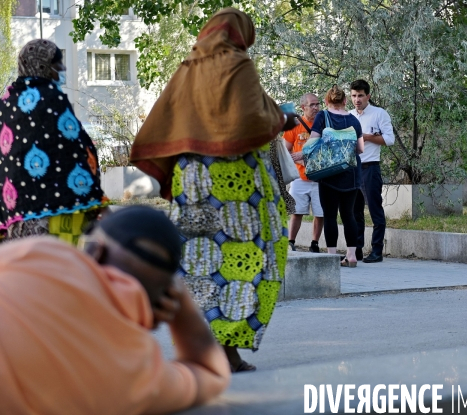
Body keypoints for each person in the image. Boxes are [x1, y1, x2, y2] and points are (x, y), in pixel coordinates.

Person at [130, 8, 297, 373]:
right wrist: (282, 118)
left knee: (196, 263)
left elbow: (164, 120)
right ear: (241, 33)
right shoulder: (238, 64)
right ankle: (228, 351)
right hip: (239, 186)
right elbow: (255, 118)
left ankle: (196, 345)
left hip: (193, 183)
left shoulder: (188, 68)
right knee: (251, 260)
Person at [0, 205, 231, 414]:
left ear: (95, 251)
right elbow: (211, 371)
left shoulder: (42, 253)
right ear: (160, 300)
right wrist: (181, 301)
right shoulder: (136, 376)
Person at [0, 39, 107, 252]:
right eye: (58, 64)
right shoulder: (51, 97)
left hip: (15, 220)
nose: (62, 69)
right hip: (60, 213)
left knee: (29, 279)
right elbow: (76, 148)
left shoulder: (6, 102)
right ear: (44, 66)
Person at [296, 85, 364, 266]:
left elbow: (312, 142)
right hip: (351, 174)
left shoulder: (322, 116)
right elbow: (360, 149)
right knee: (349, 215)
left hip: (330, 174)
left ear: (326, 101)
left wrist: (301, 154)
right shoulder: (354, 120)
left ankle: (332, 257)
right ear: (345, 101)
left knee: (330, 215)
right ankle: (351, 255)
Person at [349, 79, 395, 263]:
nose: (357, 99)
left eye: (360, 95)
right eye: (353, 95)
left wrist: (367, 137)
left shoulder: (379, 114)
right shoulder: (349, 115)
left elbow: (389, 139)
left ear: (368, 96)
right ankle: (357, 249)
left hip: (370, 167)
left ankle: (377, 251)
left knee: (375, 210)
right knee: (354, 212)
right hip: (352, 168)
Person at [283, 93, 324, 252]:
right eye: (312, 105)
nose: (316, 108)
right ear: (303, 107)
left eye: (317, 104)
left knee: (320, 213)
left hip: (320, 178)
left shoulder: (324, 124)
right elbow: (285, 152)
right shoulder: (294, 125)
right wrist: (300, 161)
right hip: (299, 178)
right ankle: (291, 241)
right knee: (297, 211)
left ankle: (314, 243)